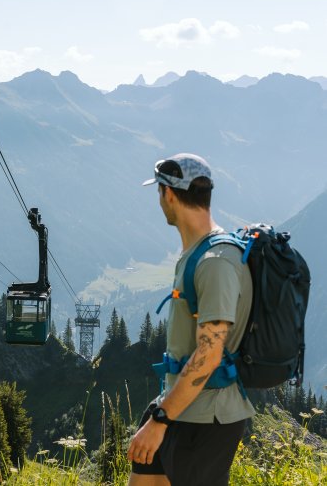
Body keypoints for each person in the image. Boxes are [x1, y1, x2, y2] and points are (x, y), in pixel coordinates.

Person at [127, 153, 255, 486]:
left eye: (159, 192)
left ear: (168, 194)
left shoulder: (215, 261)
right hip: (176, 407)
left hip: (205, 420)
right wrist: (160, 413)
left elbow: (209, 355)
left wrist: (160, 422)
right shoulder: (198, 253)